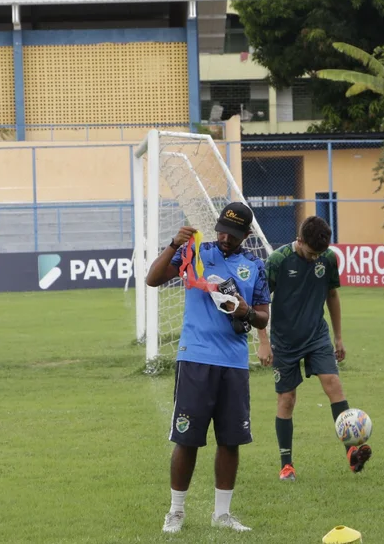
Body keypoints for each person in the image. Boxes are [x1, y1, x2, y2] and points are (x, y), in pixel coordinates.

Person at [145, 201, 271, 534]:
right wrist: (174, 244)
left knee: (230, 440)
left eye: (233, 235)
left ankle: (223, 514)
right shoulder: (196, 252)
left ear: (246, 234)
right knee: (186, 439)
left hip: (233, 362)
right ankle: (175, 511)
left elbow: (263, 316)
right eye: (222, 232)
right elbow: (153, 279)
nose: (226, 239)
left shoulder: (255, 266)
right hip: (196, 358)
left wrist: (244, 311)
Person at [257, 215, 371, 481]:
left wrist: (338, 337)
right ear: (299, 241)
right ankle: (287, 465)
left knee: (333, 384)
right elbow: (259, 300)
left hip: (317, 336)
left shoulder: (328, 258)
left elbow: (332, 295)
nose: (314, 258)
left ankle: (352, 452)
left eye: (318, 254)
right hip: (284, 341)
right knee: (287, 399)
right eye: (310, 253)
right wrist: (263, 341)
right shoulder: (278, 261)